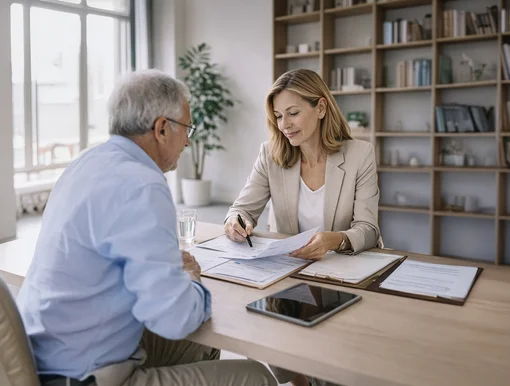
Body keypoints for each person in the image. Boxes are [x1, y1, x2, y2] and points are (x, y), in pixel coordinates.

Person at [16, 70, 277, 386]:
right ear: (162, 128)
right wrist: (190, 279)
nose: (189, 139)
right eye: (187, 128)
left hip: (43, 356)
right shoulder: (143, 184)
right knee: (256, 376)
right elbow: (175, 318)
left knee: (202, 344)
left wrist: (163, 266)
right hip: (87, 375)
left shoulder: (86, 163)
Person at [224, 69, 381, 386]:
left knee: (340, 364)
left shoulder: (359, 155)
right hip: (290, 274)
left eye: (293, 113)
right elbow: (241, 209)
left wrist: (333, 240)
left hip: (343, 276)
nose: (284, 125)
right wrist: (235, 222)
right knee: (276, 340)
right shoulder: (270, 154)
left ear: (321, 108)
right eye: (279, 116)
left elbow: (368, 229)